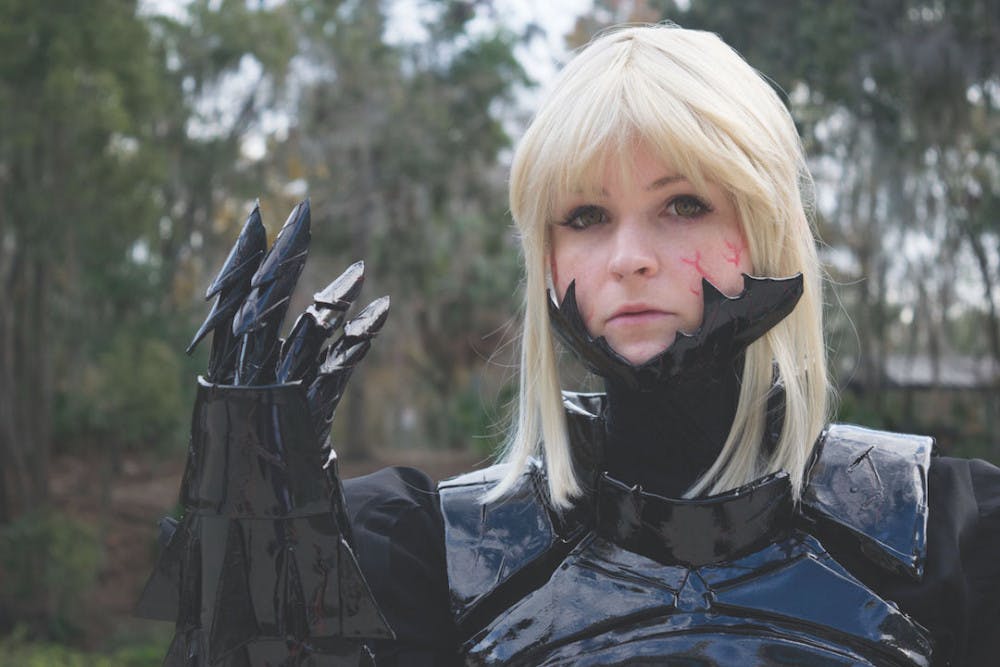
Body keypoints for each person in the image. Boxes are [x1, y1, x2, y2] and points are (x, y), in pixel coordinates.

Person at [137, 23, 1000, 667]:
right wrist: (247, 597)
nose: (628, 256)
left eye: (684, 204)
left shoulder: (952, 539)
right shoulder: (428, 554)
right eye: (585, 216)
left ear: (769, 230)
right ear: (544, 259)